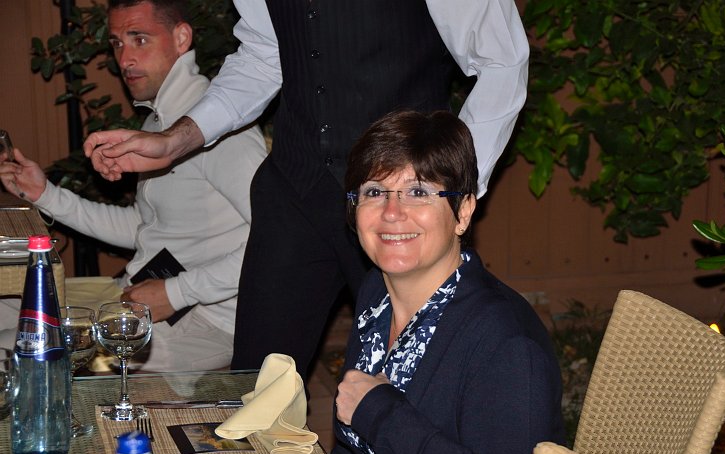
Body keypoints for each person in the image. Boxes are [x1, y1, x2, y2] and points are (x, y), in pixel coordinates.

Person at [81, 0, 530, 380]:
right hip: (294, 188)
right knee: (259, 382)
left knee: (411, 381)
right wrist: (175, 141)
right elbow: (264, 55)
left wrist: (445, 186)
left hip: (396, 204)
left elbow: (502, 61)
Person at [0, 0, 267, 372]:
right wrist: (46, 195)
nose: (124, 59)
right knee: (8, 304)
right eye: (117, 43)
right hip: (142, 295)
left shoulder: (221, 130)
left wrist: (176, 293)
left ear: (181, 38)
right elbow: (144, 228)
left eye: (140, 39)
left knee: (13, 349)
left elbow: (275, 240)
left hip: (206, 322)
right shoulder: (158, 122)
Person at [331, 110, 565, 454]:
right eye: (374, 191)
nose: (392, 212)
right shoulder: (375, 294)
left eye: (418, 192)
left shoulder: (506, 343)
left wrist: (379, 414)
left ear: (463, 212)